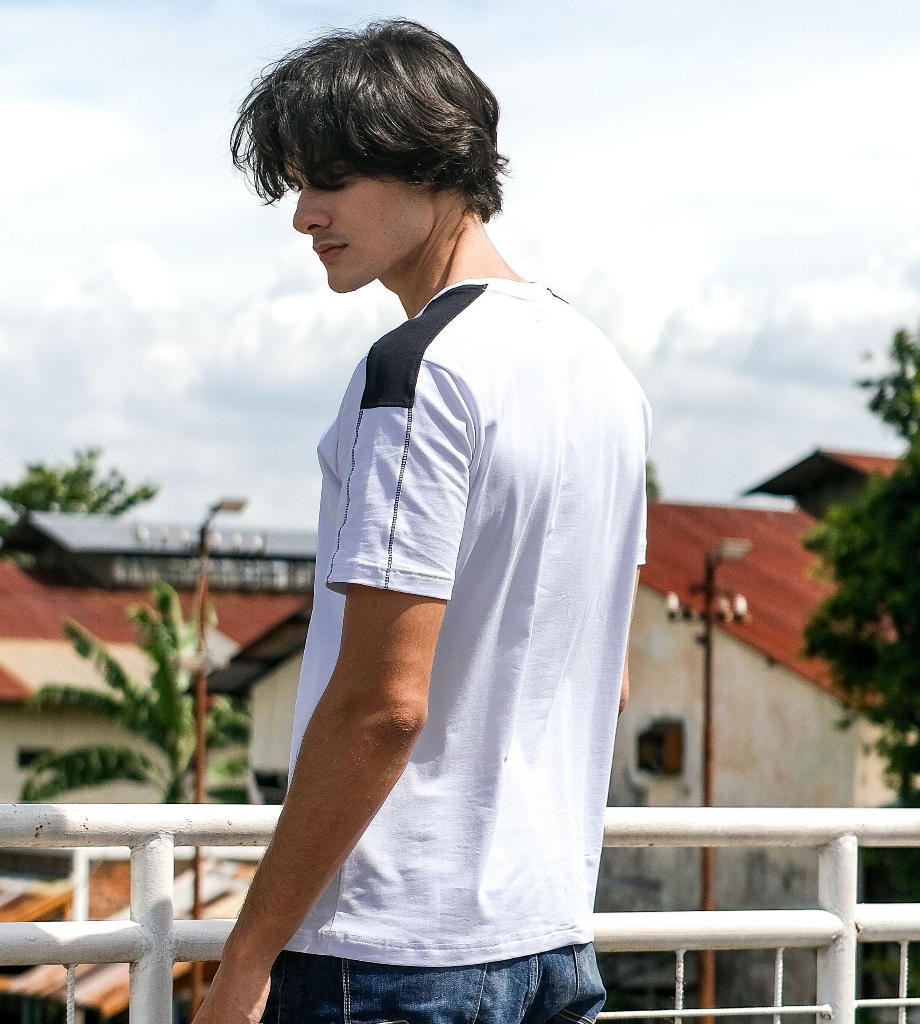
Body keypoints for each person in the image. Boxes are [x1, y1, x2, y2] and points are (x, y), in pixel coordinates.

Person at [194, 18, 650, 1024]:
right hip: (549, 937)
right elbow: (608, 676)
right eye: (294, 185)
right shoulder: (604, 373)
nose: (303, 216)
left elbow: (381, 707)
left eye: (329, 181)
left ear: (432, 163)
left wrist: (245, 960)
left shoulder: (418, 371)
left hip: (390, 951)